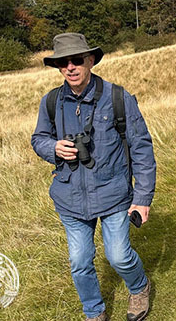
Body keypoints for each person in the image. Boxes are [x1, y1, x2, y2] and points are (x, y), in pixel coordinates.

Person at [31, 33, 156, 321]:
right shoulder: (51, 102)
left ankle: (139, 286)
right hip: (70, 198)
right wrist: (53, 148)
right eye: (63, 63)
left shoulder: (117, 97)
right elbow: (38, 138)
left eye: (76, 60)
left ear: (90, 61)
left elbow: (141, 148)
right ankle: (94, 311)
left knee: (119, 256)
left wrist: (142, 198)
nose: (70, 67)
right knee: (79, 262)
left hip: (113, 195)